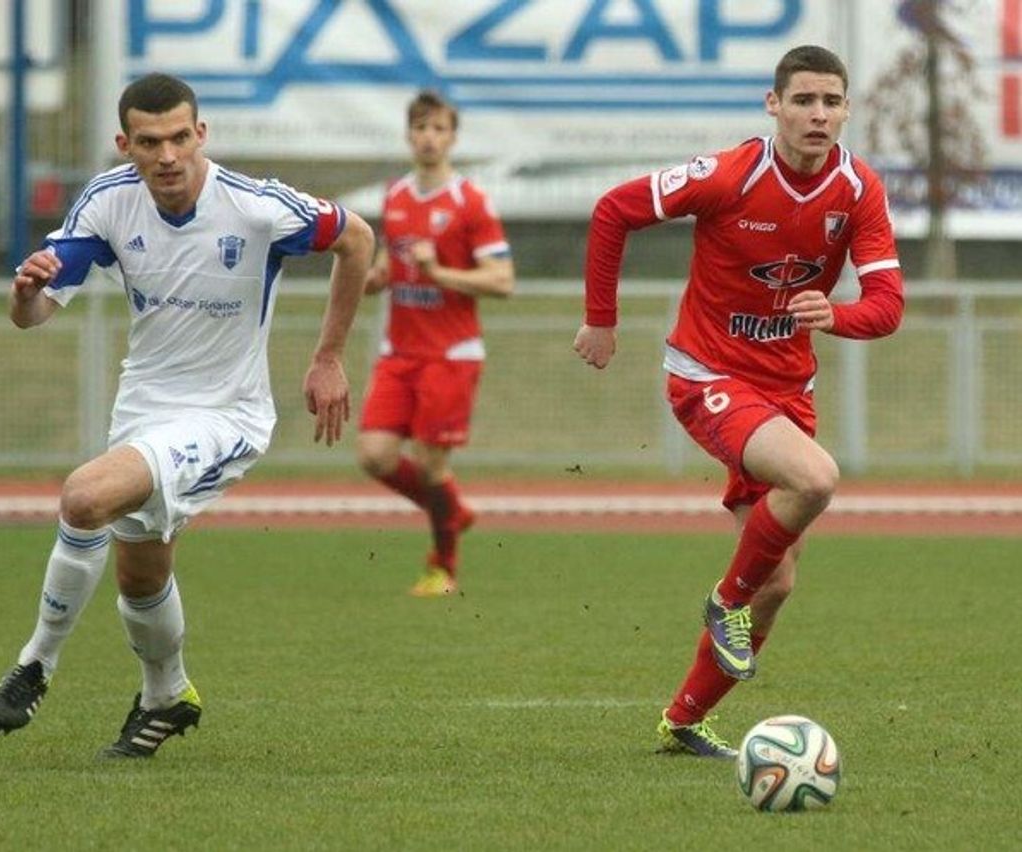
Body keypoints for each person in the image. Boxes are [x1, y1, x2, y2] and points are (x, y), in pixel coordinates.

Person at [0, 73, 374, 758]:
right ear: (124, 143)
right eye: (150, 142)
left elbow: (358, 238)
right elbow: (36, 312)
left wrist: (329, 355)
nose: (167, 156)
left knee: (84, 496)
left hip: (226, 416)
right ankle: (168, 695)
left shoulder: (254, 206)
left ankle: (35, 663)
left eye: (180, 138)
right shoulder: (108, 202)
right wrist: (23, 296)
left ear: (202, 135)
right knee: (141, 576)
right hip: (143, 411)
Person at [574, 45, 903, 757]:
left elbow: (887, 306)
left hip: (788, 389)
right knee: (815, 477)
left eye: (832, 102)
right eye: (804, 100)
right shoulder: (729, 173)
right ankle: (723, 601)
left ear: (847, 110)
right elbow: (613, 211)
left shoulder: (857, 190)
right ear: (773, 105)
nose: (818, 114)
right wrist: (602, 318)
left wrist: (835, 316)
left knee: (778, 583)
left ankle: (684, 720)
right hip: (707, 373)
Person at [357, 90, 515, 597]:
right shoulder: (395, 196)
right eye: (421, 128)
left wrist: (439, 272)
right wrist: (374, 276)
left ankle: (441, 568)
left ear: (452, 137)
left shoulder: (470, 202)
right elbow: (387, 262)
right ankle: (452, 508)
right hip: (399, 351)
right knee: (374, 455)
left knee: (431, 465)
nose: (429, 137)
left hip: (451, 353)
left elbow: (502, 280)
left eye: (439, 129)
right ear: (409, 134)